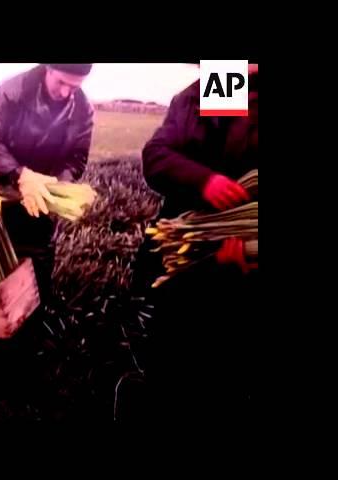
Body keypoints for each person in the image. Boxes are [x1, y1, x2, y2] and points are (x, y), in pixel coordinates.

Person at [135, 65, 258, 417]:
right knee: (178, 360)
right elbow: (157, 155)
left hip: (246, 271)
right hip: (192, 258)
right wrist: (204, 181)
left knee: (232, 368)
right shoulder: (228, 82)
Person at [0, 64, 94, 304]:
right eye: (61, 82)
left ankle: (34, 324)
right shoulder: (12, 91)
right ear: (48, 68)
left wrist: (54, 187)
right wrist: (21, 176)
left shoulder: (83, 110)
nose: (67, 92)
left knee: (37, 274)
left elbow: (77, 158)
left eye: (75, 86)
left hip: (41, 203)